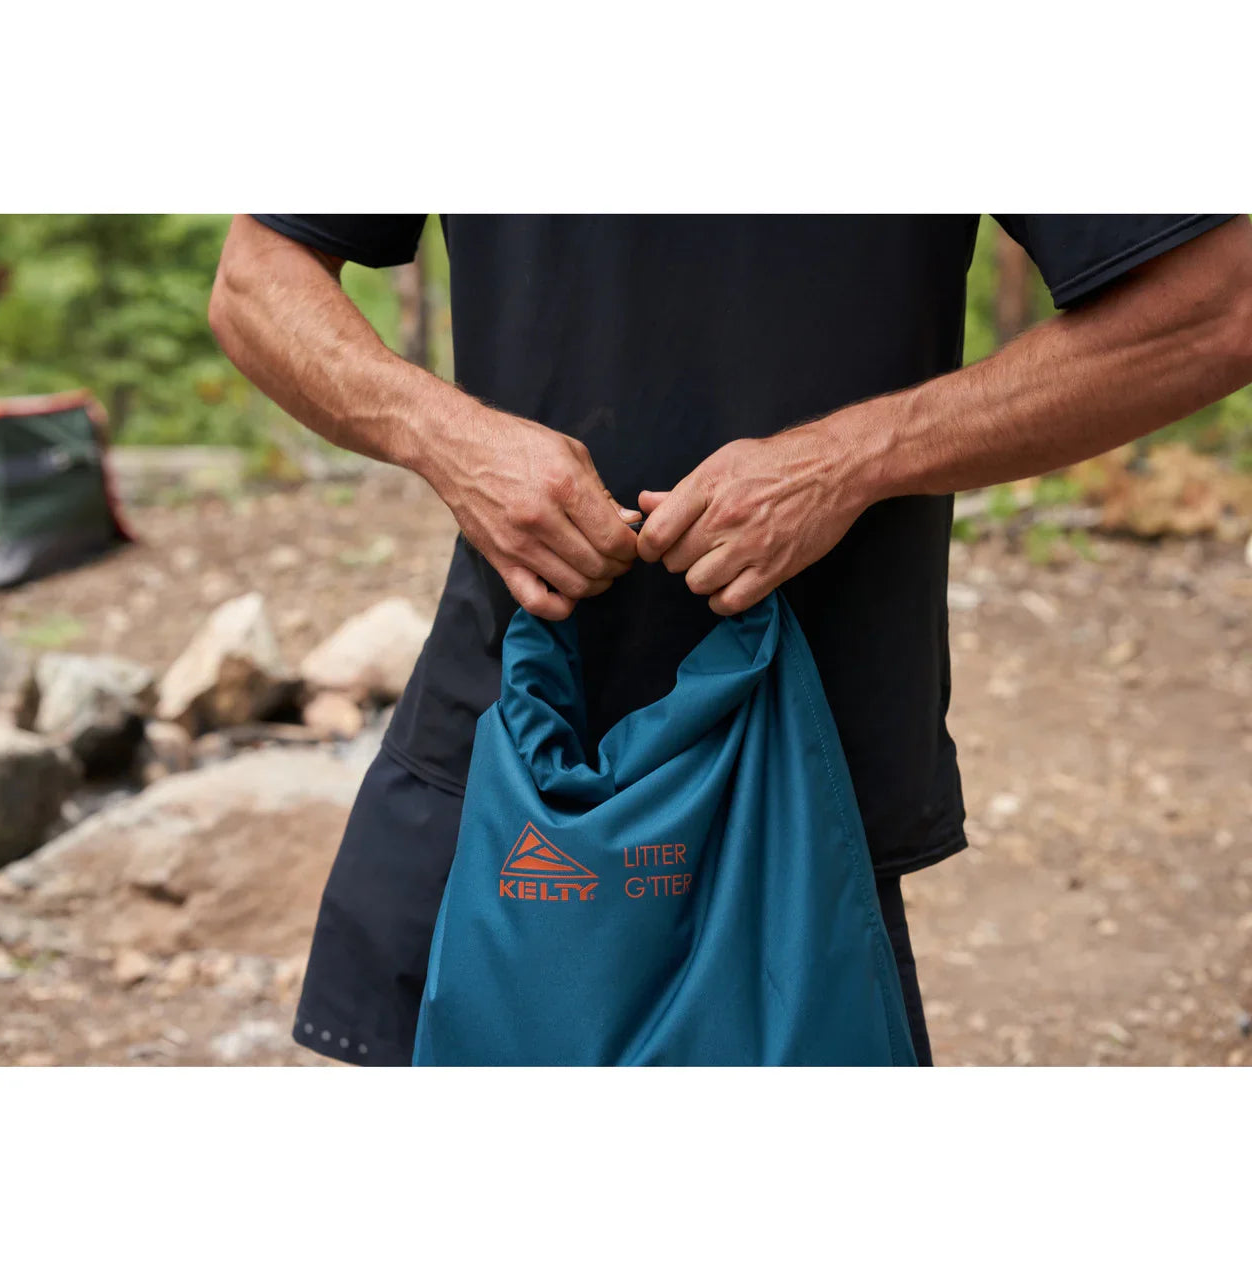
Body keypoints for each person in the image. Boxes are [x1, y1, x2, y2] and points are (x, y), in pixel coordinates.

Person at [210, 214, 1252, 1066]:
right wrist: (441, 432)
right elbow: (256, 279)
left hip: (798, 790)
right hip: (505, 755)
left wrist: (852, 457)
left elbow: (1216, 301)